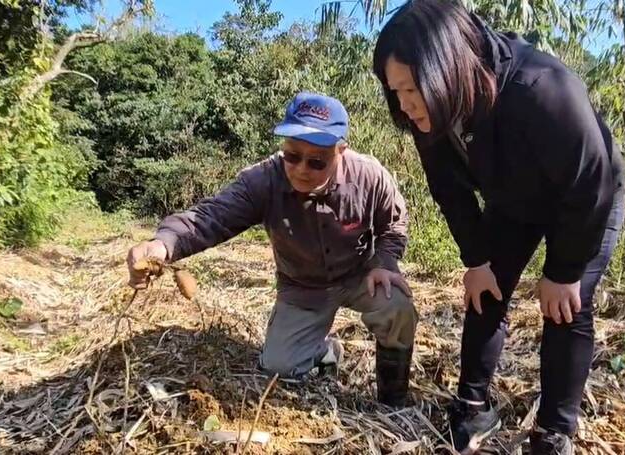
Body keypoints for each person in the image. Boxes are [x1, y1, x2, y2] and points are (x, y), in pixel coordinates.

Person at [372, 1, 625, 453]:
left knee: (566, 306)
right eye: (396, 92)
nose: (406, 106)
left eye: (412, 89)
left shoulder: (544, 90)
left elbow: (592, 181)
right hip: (513, 199)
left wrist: (565, 271)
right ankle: (472, 405)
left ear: (446, 66)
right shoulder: (429, 113)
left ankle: (554, 430)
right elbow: (449, 191)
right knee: (484, 291)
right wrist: (477, 259)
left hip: (584, 198)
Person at [125, 92, 418, 408]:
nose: (302, 169)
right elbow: (210, 217)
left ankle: (393, 399)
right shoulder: (262, 181)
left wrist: (385, 262)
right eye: (292, 156)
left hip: (359, 275)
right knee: (279, 369)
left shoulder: (369, 176)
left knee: (397, 306)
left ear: (341, 151)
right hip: (303, 287)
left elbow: (394, 223)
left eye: (317, 161)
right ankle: (326, 351)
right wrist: (162, 244)